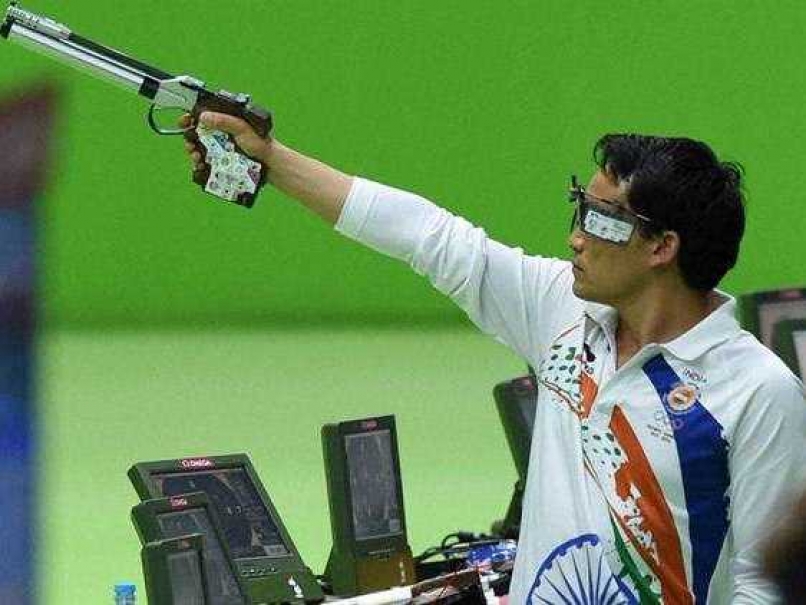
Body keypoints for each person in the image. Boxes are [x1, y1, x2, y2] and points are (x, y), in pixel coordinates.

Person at [183, 113, 806, 603]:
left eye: (603, 220)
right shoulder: (562, 309)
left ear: (662, 247)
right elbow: (431, 237)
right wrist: (273, 160)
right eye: (580, 207)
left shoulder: (758, 390)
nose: (576, 236)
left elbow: (764, 585)